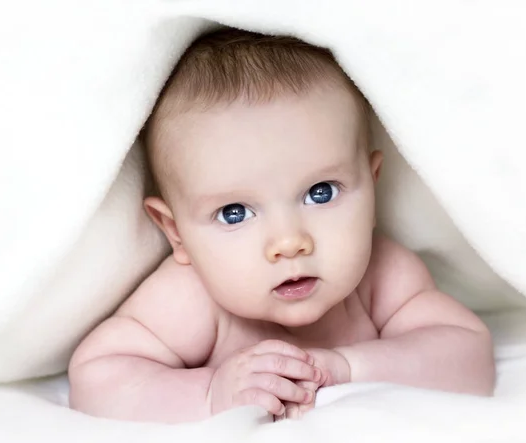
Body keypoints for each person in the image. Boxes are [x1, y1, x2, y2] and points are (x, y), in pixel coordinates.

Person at [68, 28, 495, 424]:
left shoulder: (384, 276)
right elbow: (97, 378)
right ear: (176, 232)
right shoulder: (192, 296)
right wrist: (210, 393)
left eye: (321, 192)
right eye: (234, 212)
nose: (289, 242)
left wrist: (351, 367)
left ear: (371, 187)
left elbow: (469, 356)